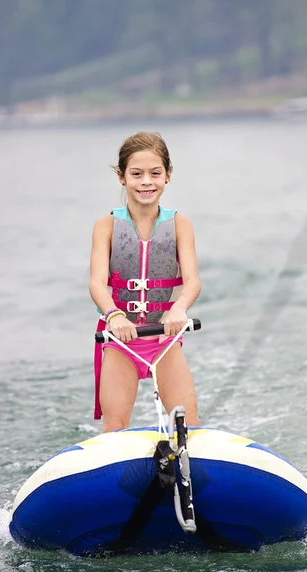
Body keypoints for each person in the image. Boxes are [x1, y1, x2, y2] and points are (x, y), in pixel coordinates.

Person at [89, 131, 201, 433]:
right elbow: (97, 284)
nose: (146, 182)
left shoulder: (180, 224)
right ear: (122, 177)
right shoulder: (106, 226)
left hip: (164, 340)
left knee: (188, 425)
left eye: (155, 173)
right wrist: (114, 315)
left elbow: (192, 282)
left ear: (168, 176)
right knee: (115, 427)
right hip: (120, 341)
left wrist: (178, 309)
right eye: (136, 174)